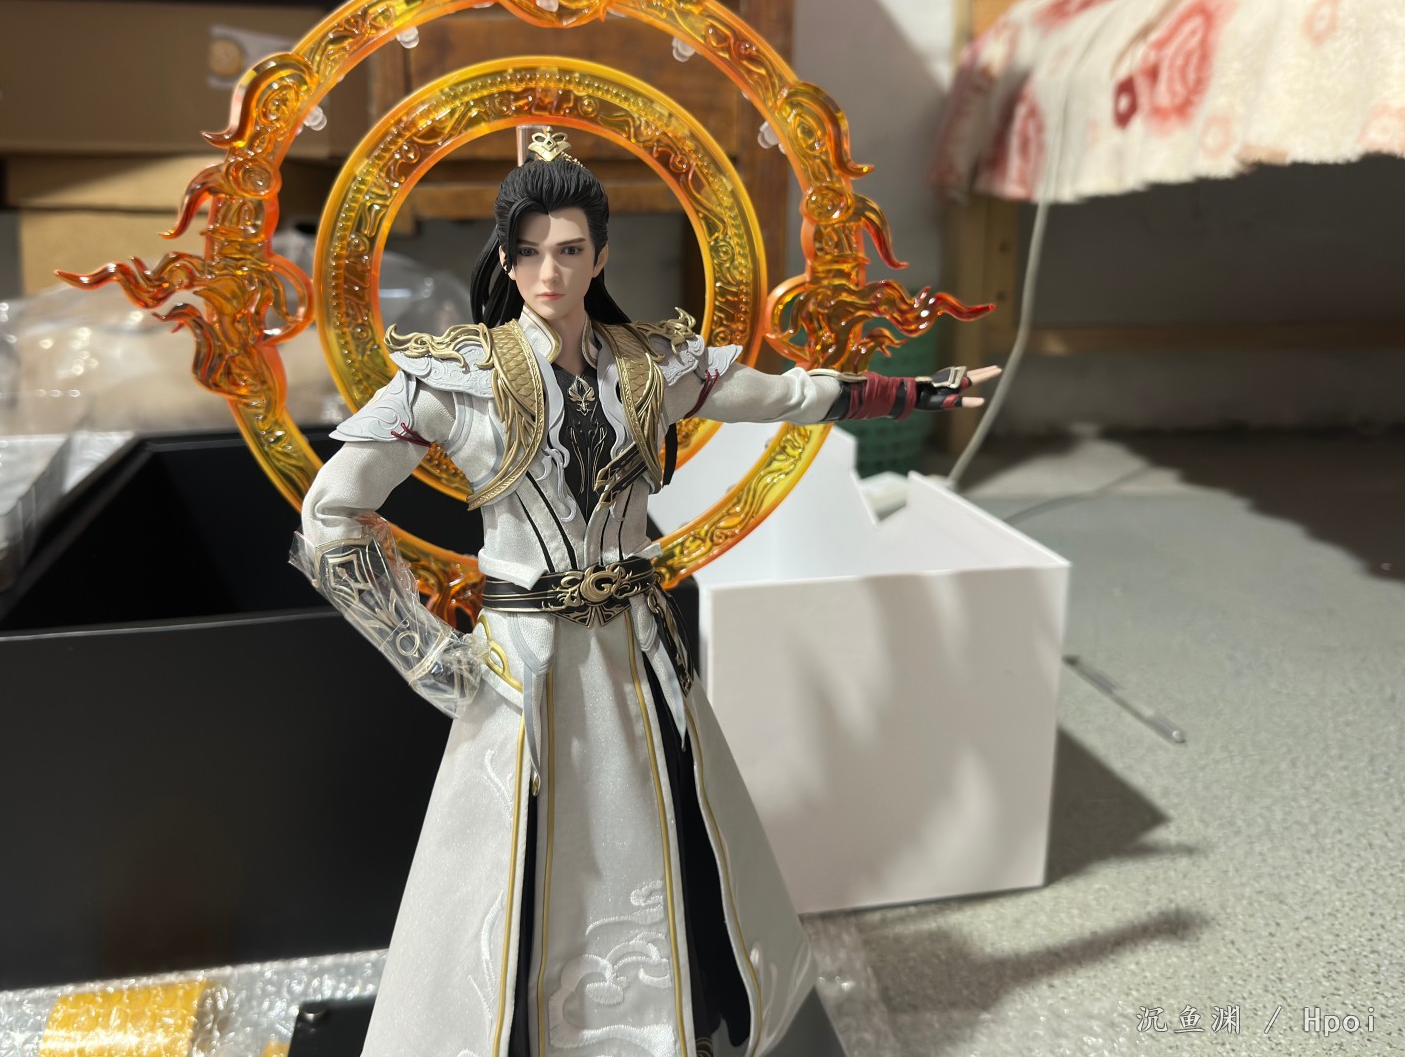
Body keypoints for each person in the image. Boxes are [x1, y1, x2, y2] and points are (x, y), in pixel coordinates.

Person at [294, 129, 997, 1057]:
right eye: (529, 252)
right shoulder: (454, 380)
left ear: (600, 255)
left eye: (570, 249)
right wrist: (425, 652)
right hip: (523, 665)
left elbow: (785, 398)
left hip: (637, 653)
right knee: (507, 858)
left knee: (673, 839)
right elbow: (330, 513)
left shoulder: (650, 366)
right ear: (505, 257)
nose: (549, 272)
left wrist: (916, 394)